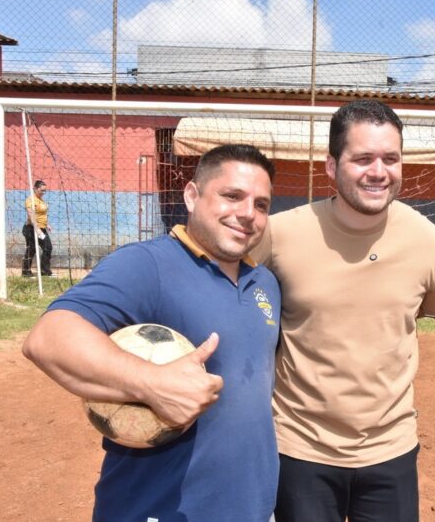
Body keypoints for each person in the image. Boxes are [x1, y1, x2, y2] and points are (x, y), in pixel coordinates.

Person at [251, 99, 435, 522]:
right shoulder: (279, 234)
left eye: (390, 158)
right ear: (331, 166)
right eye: (362, 158)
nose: (378, 171)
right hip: (300, 448)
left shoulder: (425, 238)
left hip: (390, 450)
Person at [22, 144, 280, 521]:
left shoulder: (264, 283)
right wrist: (150, 383)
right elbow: (48, 338)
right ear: (192, 196)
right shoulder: (148, 265)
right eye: (232, 196)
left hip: (250, 509)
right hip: (156, 509)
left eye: (261, 204)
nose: (247, 213)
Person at [22, 179, 54, 277]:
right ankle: (26, 272)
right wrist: (37, 228)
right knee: (31, 249)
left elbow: (42, 214)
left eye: (45, 191)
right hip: (31, 228)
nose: (43, 192)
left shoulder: (41, 199)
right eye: (42, 190)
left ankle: (45, 271)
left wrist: (47, 224)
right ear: (35, 188)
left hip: (41, 228)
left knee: (48, 247)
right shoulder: (30, 200)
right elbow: (31, 215)